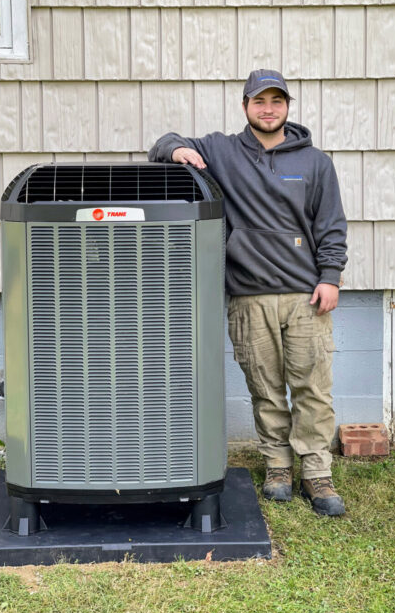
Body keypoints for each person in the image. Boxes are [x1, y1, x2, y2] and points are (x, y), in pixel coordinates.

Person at [148, 69, 348, 516]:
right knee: (266, 388)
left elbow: (331, 225)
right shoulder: (222, 151)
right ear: (245, 107)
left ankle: (317, 473)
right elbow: (162, 145)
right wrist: (179, 149)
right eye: (260, 101)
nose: (268, 109)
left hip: (305, 296)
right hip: (248, 295)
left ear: (288, 107)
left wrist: (330, 276)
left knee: (312, 387)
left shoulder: (315, 162)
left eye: (277, 101)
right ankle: (277, 464)